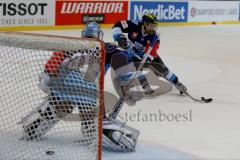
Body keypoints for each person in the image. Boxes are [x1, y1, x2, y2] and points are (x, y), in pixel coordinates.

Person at [19, 21, 139, 152]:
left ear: (83, 35)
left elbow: (54, 61)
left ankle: (34, 125)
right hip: (90, 92)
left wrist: (47, 75)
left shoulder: (72, 45)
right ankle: (103, 130)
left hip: (65, 83)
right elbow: (121, 58)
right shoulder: (106, 47)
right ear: (100, 36)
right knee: (92, 128)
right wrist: (127, 74)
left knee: (60, 106)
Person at [112, 13, 187, 95]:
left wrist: (147, 59)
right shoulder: (134, 25)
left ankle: (177, 83)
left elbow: (153, 52)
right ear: (145, 24)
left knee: (162, 69)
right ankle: (144, 85)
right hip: (132, 52)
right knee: (136, 69)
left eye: (154, 25)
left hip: (146, 54)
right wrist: (120, 38)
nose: (153, 28)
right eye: (151, 25)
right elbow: (117, 25)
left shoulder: (155, 37)